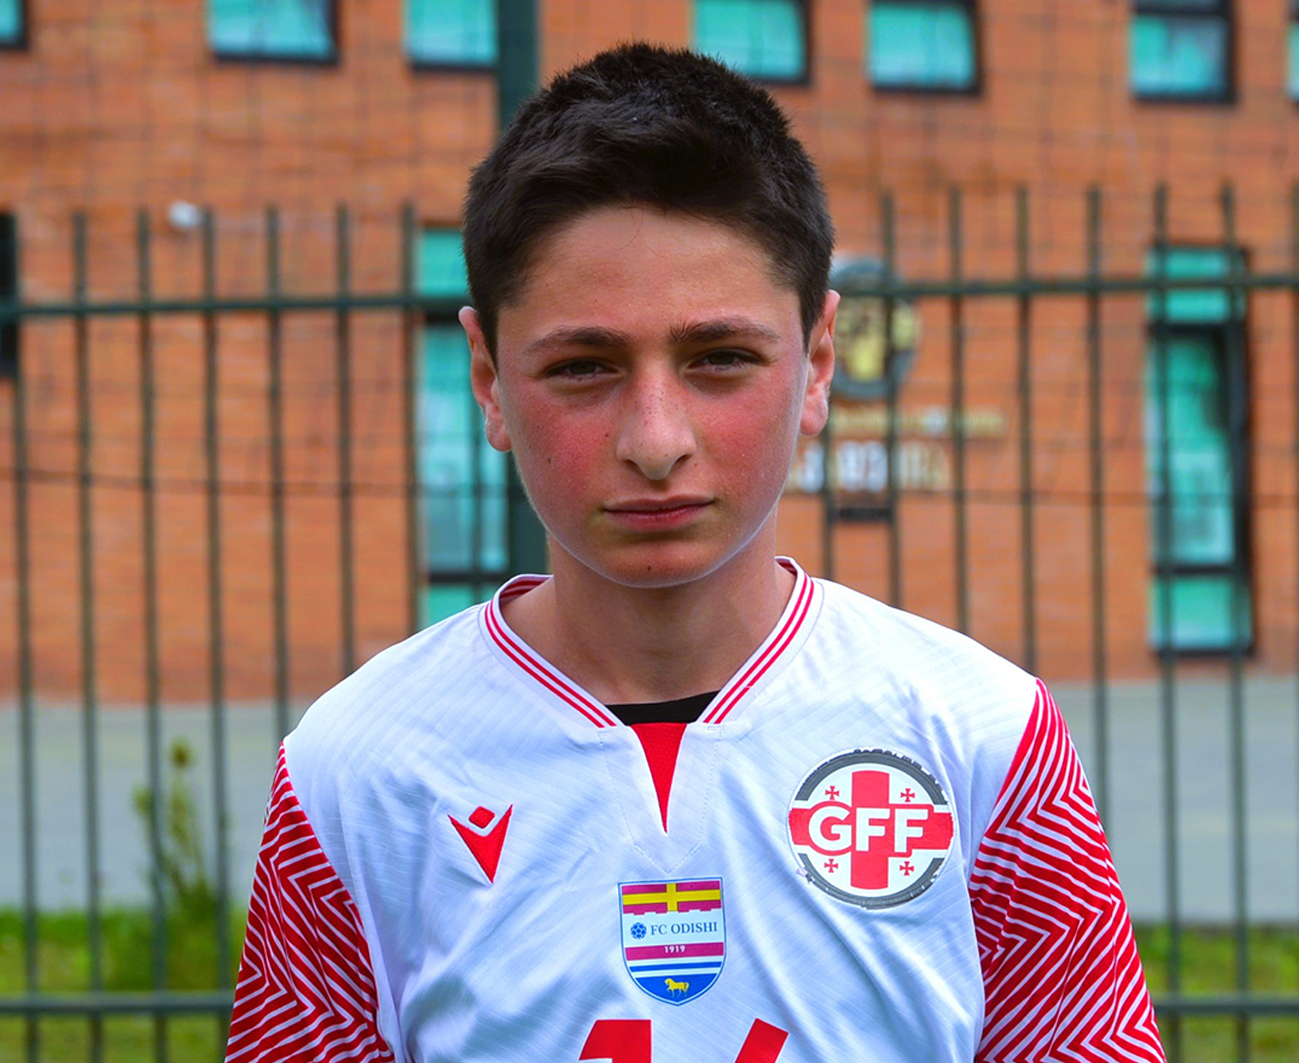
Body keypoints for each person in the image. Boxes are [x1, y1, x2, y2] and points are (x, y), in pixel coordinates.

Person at [224, 43, 1165, 1063]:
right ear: (489, 381)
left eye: (719, 357)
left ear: (818, 363)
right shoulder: (356, 769)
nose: (656, 438)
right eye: (583, 366)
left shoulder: (983, 737)